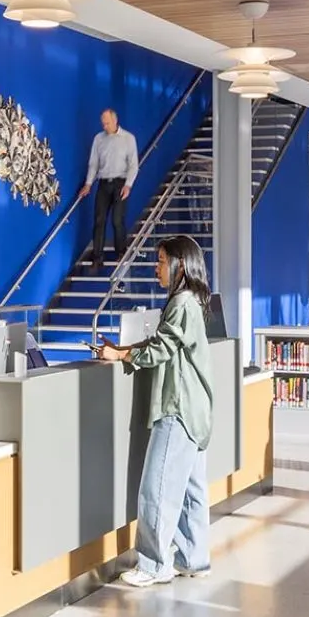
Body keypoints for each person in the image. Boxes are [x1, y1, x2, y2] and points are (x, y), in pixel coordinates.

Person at [96, 235, 216, 587]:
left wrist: (120, 356)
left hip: (177, 408)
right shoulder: (190, 302)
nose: (156, 268)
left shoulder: (181, 302)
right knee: (192, 490)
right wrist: (125, 349)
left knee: (157, 488)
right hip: (195, 409)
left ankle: (153, 564)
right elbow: (164, 342)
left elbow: (161, 349)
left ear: (179, 265)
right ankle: (195, 558)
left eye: (161, 262)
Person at [76, 108, 137, 268]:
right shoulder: (99, 139)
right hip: (103, 183)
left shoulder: (128, 139)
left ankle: (121, 253)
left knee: (117, 220)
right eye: (103, 123)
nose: (105, 126)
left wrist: (128, 185)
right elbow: (94, 163)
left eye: (107, 123)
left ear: (115, 121)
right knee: (99, 220)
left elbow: (133, 165)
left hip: (120, 183)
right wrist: (88, 184)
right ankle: (97, 257)